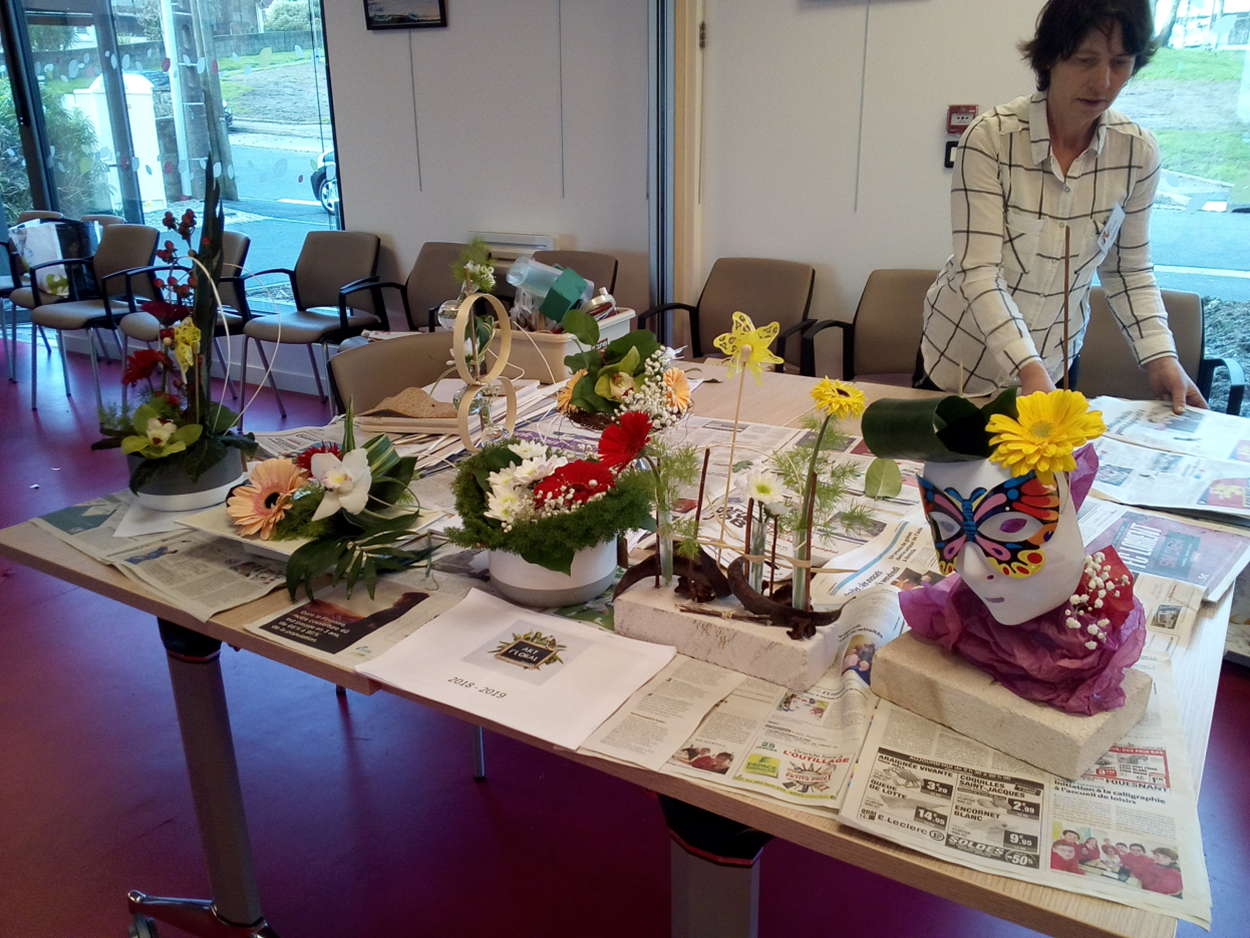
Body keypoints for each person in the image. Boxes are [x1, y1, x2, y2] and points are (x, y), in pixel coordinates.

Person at [918, 0, 1206, 415]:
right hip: (963, 360)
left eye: (1121, 63)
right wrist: (1027, 368)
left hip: (1055, 361)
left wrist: (1160, 356)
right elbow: (978, 271)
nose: (1103, 81)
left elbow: (1128, 270)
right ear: (1051, 57)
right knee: (952, 457)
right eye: (1085, 60)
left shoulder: (1136, 152)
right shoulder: (991, 139)